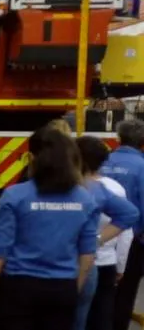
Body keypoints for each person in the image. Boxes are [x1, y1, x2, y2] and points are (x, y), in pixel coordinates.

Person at [0, 127, 100, 330]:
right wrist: (75, 287)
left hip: (18, 287)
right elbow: (87, 253)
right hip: (62, 287)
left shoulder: (15, 195)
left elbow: (0, 247)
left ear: (31, 158)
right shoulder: (85, 199)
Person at [72, 136, 139, 330]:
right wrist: (121, 265)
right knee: (101, 318)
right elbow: (126, 231)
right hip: (107, 260)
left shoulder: (73, 188)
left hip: (77, 261)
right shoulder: (114, 188)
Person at [98, 119, 144, 330]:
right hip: (131, 238)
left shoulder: (102, 161)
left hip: (98, 237)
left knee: (98, 295)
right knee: (125, 292)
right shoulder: (142, 166)